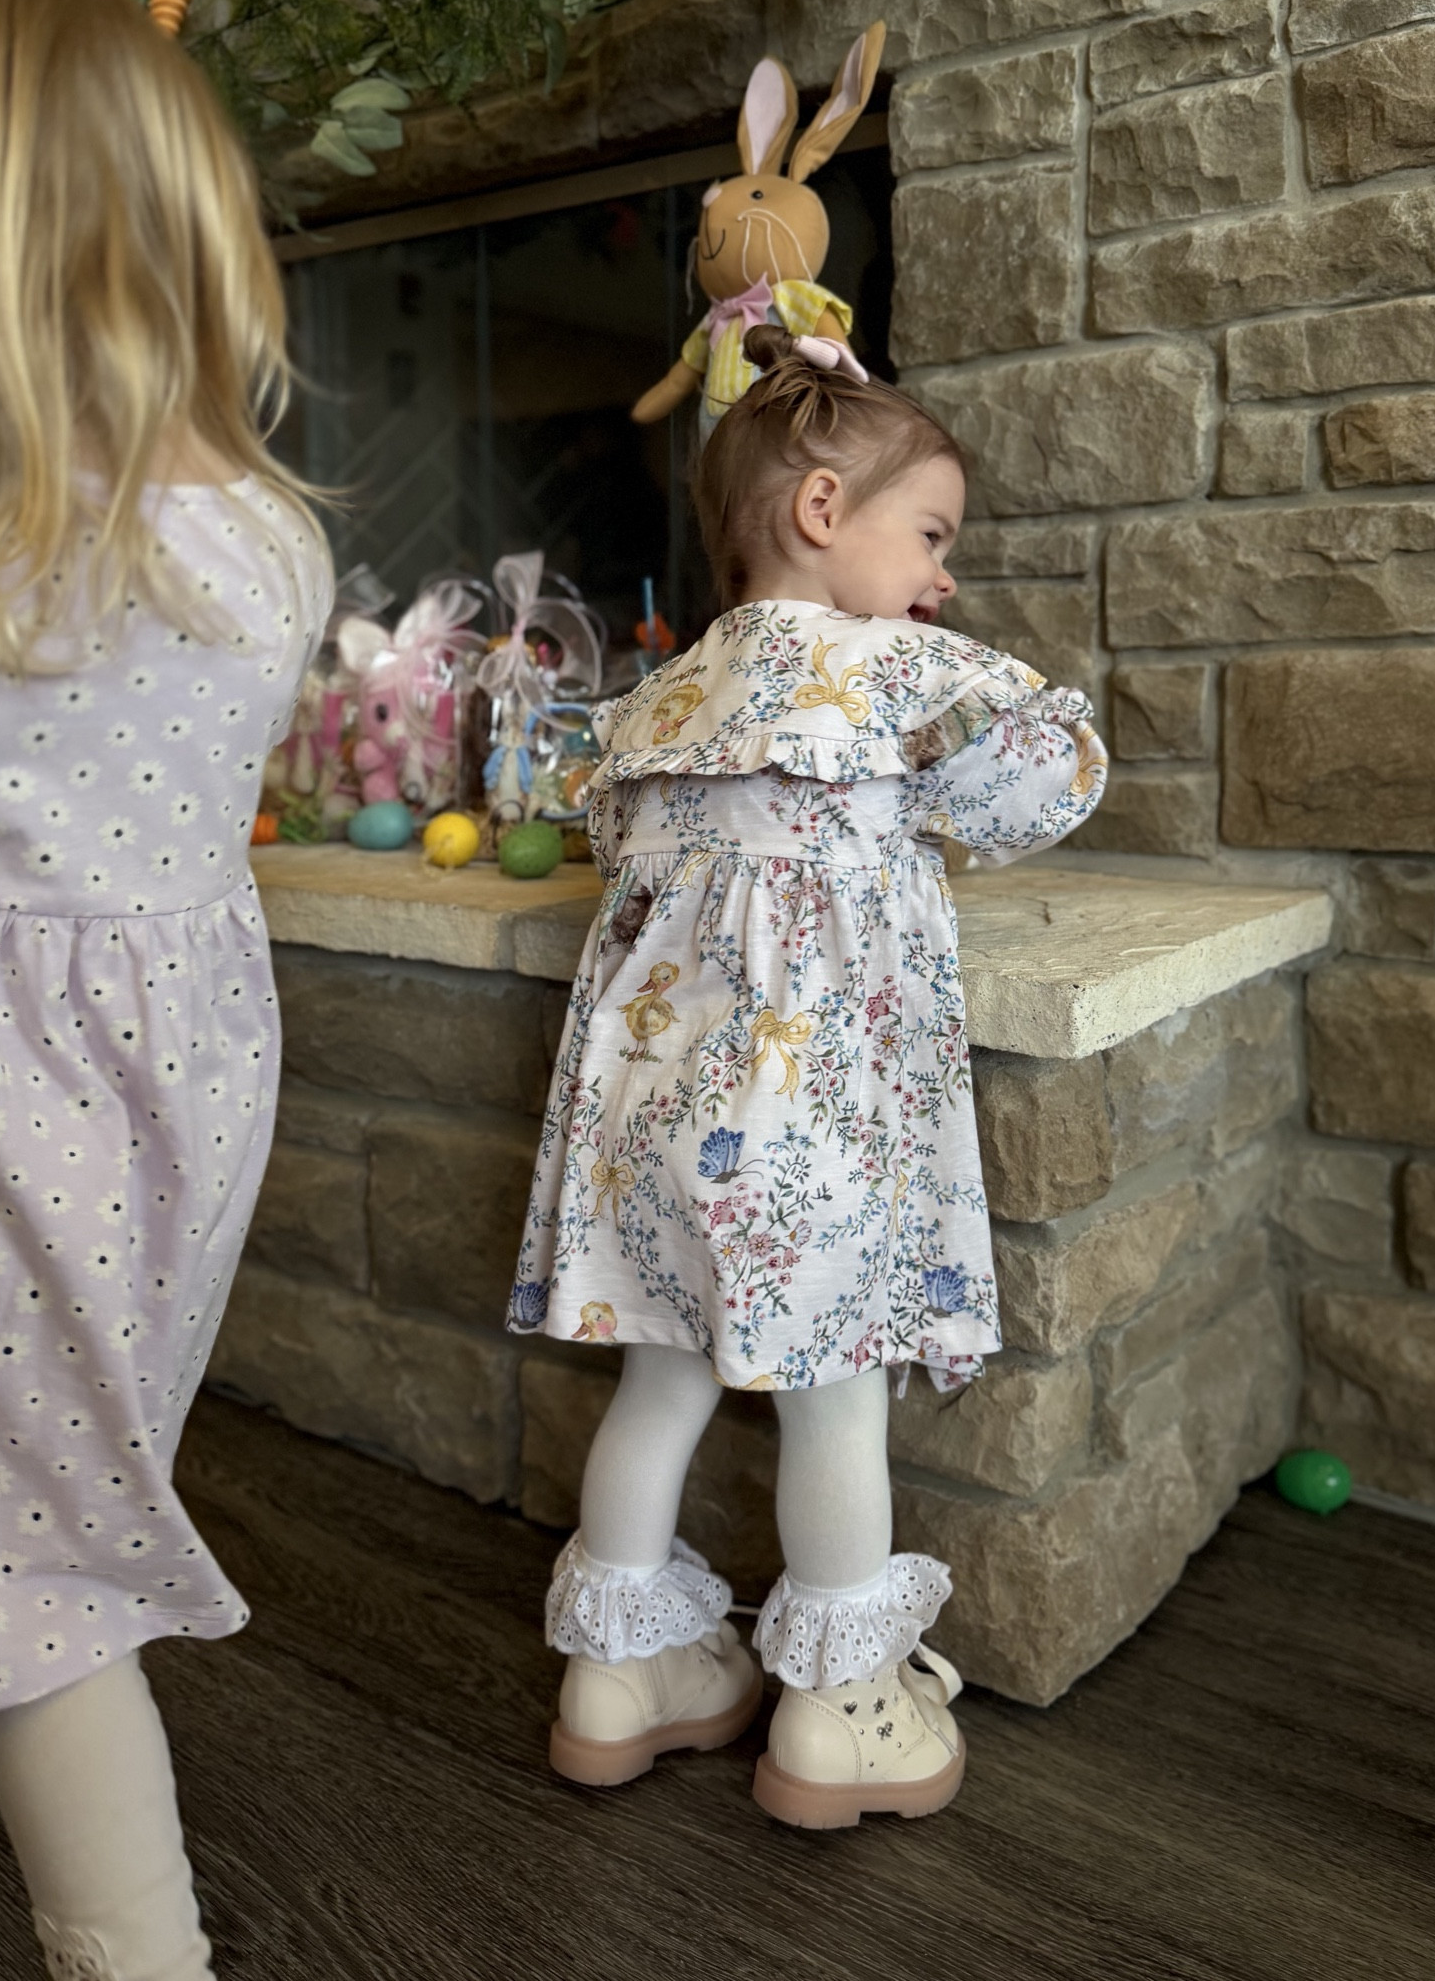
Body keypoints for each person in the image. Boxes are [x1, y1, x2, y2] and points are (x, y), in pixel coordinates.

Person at [509, 324, 1108, 1828]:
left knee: (660, 1381)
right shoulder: (898, 668)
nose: (945, 574)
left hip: (646, 1128)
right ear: (826, 512)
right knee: (836, 1399)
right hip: (810, 1136)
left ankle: (618, 1676)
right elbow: (1054, 777)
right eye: (933, 533)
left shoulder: (657, 701)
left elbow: (610, 850)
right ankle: (837, 1717)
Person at [0, 0, 333, 1978]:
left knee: (24, 1570)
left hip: (15, 1070)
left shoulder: (30, 539)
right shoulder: (271, 535)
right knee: (50, 1488)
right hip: (179, 1078)